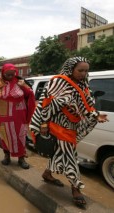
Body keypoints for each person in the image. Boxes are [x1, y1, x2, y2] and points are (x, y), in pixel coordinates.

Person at [30, 56, 109, 209]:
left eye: (86, 71)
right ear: (70, 68)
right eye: (80, 70)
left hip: (72, 126)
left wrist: (96, 115)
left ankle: (47, 173)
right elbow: (46, 102)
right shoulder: (58, 81)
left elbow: (86, 105)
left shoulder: (83, 85)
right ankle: (76, 188)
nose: (83, 73)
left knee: (60, 153)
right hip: (56, 125)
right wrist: (44, 123)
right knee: (70, 156)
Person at [0, 63, 36, 169]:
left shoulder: (20, 82)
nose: (10, 77)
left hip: (19, 114)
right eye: (7, 75)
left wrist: (24, 87)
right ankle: (6, 156)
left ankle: (21, 159)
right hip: (4, 114)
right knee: (5, 135)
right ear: (3, 73)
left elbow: (29, 95)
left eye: (12, 74)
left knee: (21, 135)